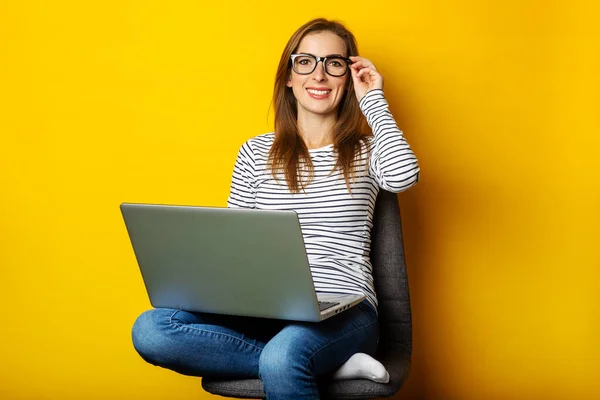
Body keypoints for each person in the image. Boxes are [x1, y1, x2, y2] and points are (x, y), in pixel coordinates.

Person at [131, 18, 420, 399]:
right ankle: (332, 367)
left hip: (345, 310)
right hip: (267, 312)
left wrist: (373, 100)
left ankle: (305, 358)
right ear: (288, 75)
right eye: (306, 62)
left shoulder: (368, 151)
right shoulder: (254, 152)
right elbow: (236, 244)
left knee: (285, 356)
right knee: (152, 330)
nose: (319, 75)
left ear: (348, 76)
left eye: (334, 63)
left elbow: (404, 176)